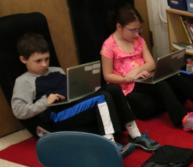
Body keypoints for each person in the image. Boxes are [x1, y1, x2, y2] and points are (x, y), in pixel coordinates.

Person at [10, 33, 157, 155]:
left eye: (47, 59)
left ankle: (136, 134)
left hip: (72, 104)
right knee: (102, 97)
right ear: (23, 59)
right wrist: (45, 102)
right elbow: (19, 111)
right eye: (38, 61)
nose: (44, 64)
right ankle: (110, 144)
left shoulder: (57, 71)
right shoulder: (23, 82)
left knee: (112, 88)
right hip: (56, 115)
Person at [100, 4, 193, 132]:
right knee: (160, 83)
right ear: (119, 27)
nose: (136, 33)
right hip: (129, 85)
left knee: (172, 76)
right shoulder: (109, 46)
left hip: (144, 77)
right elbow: (107, 76)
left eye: (138, 29)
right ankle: (183, 119)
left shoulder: (138, 40)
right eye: (132, 30)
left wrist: (138, 70)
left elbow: (151, 63)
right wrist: (127, 77)